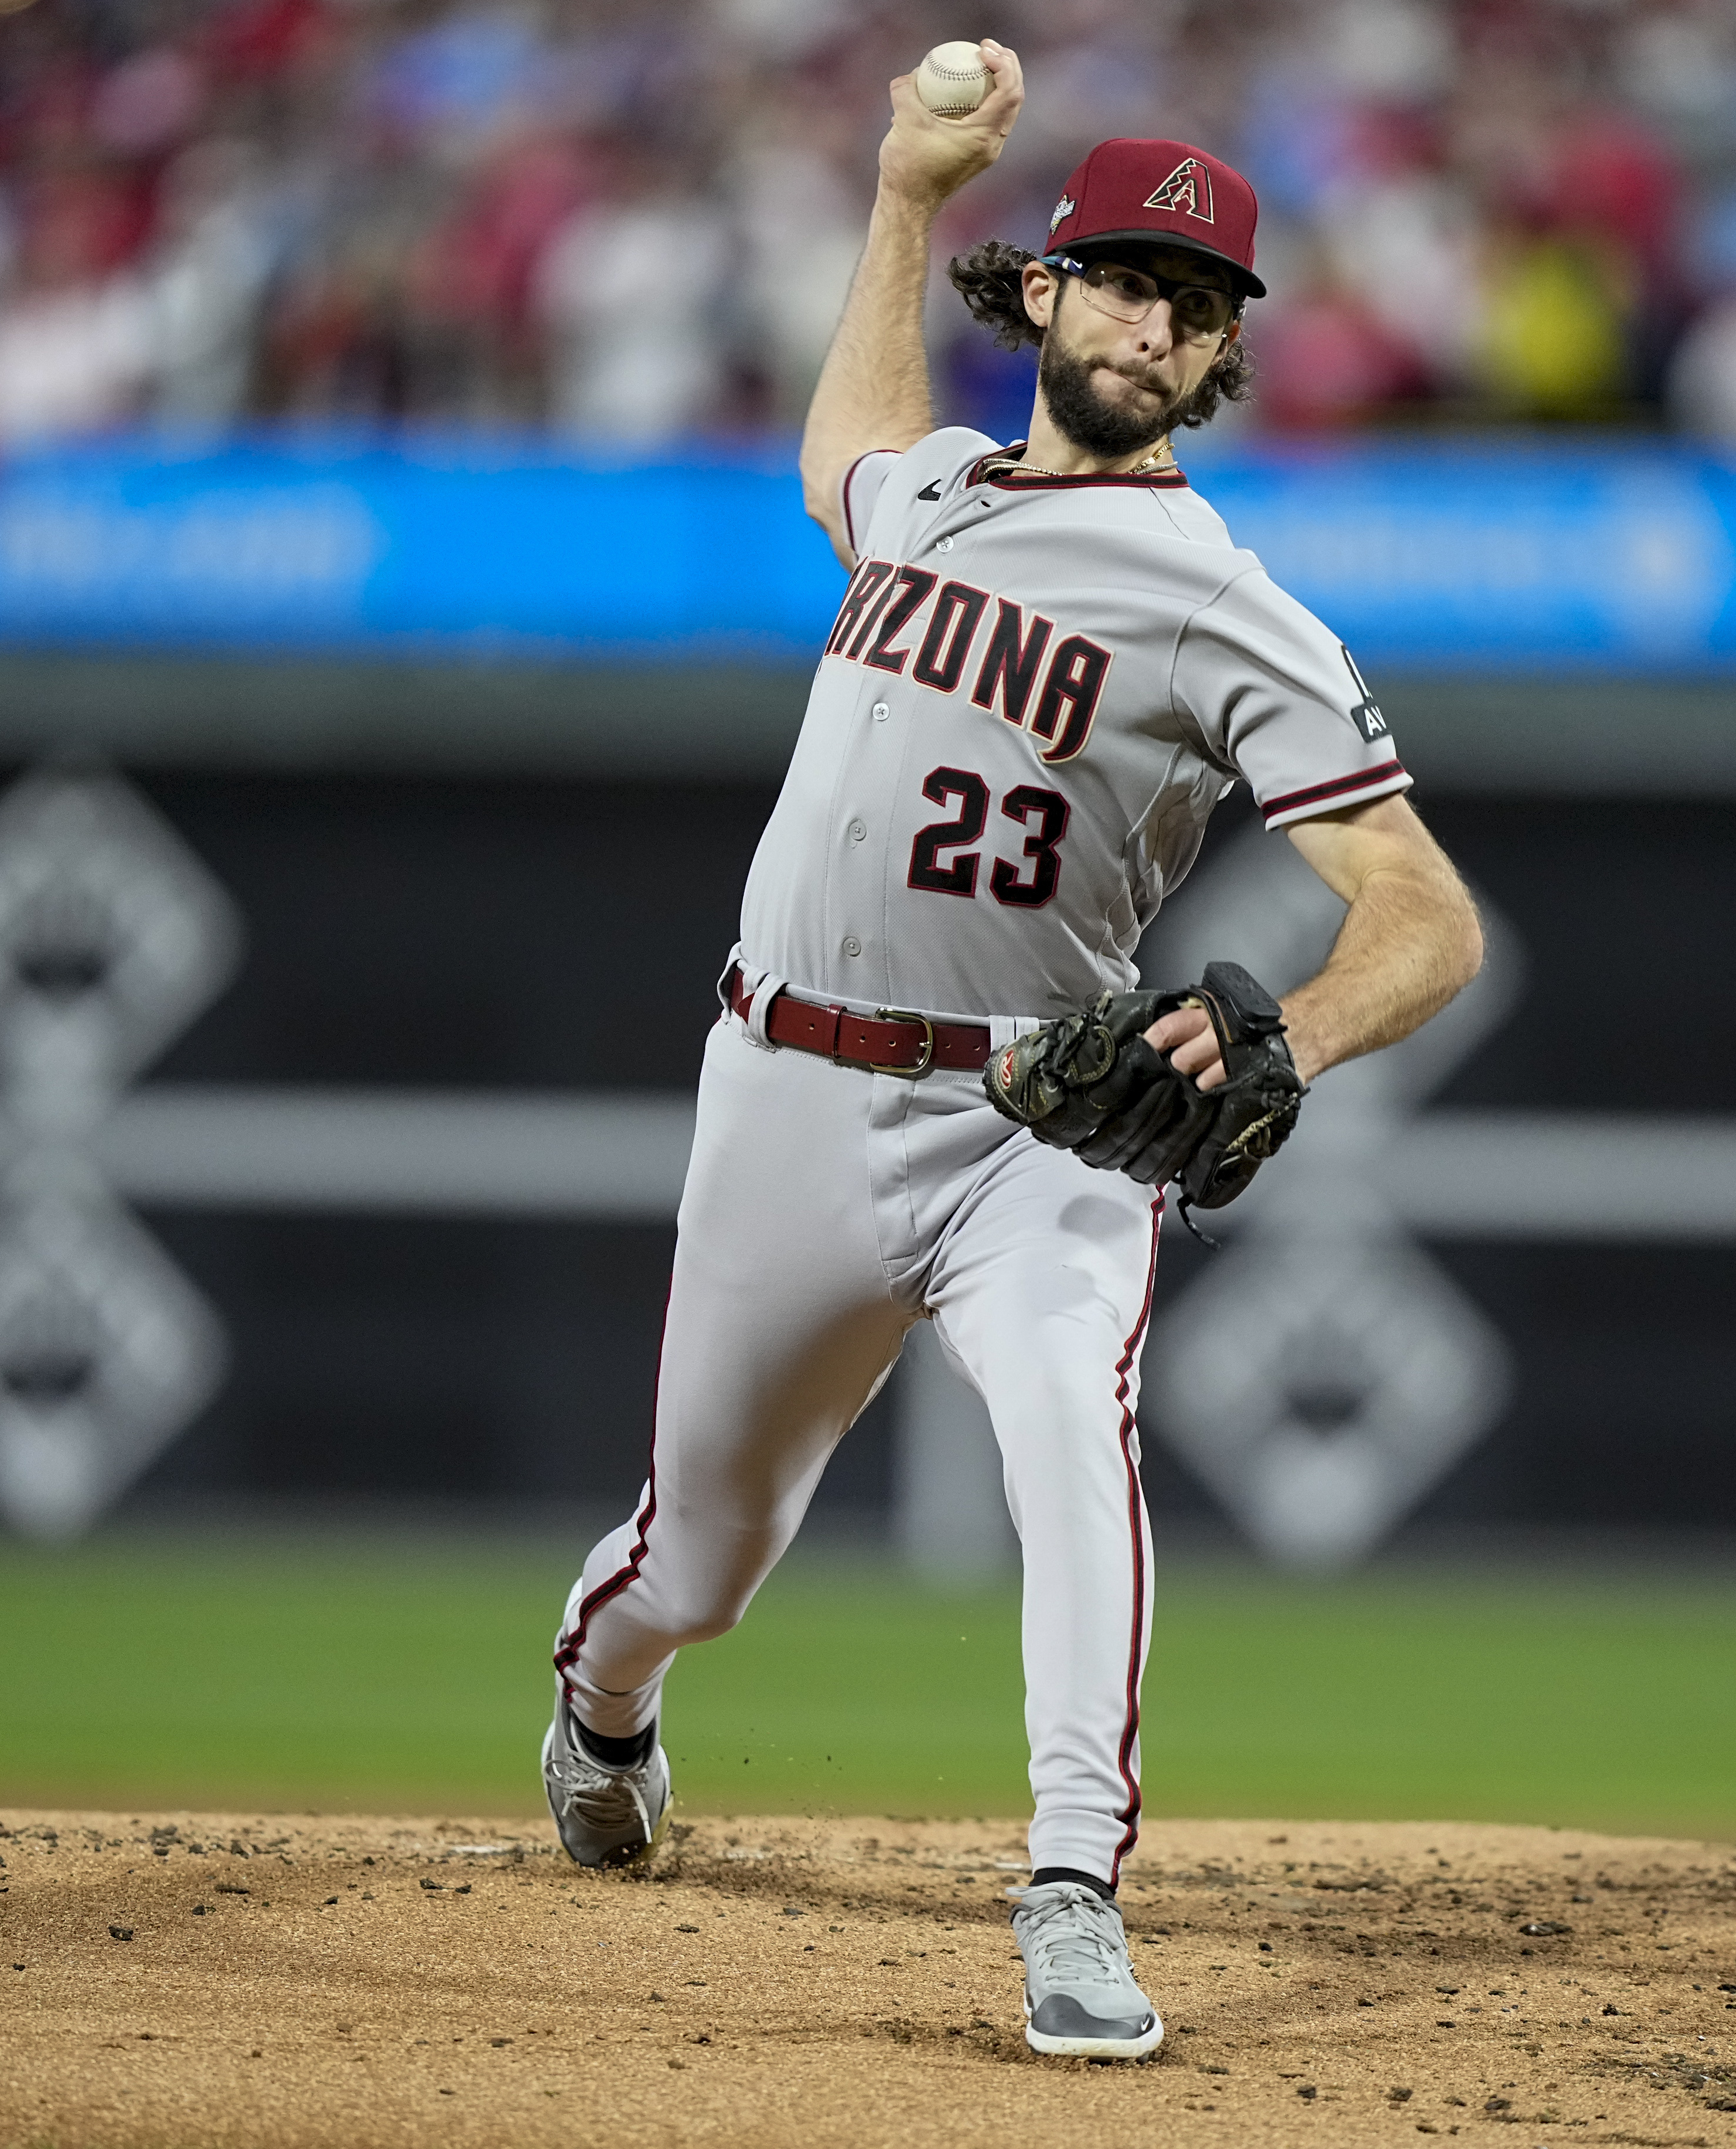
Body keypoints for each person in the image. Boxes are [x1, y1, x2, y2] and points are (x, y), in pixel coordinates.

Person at [537, 43, 1484, 2062]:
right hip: (783, 1083)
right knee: (704, 1555)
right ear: (1041, 290)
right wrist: (899, 197)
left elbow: (1426, 914)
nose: (1164, 317)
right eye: (1131, 275)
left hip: (1033, 1113)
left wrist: (1285, 1041)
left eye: (1205, 302)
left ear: (1226, 356)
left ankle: (1072, 1887)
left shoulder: (1228, 602)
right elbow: (842, 456)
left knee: (1074, 1430)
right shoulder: (940, 493)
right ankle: (605, 1707)